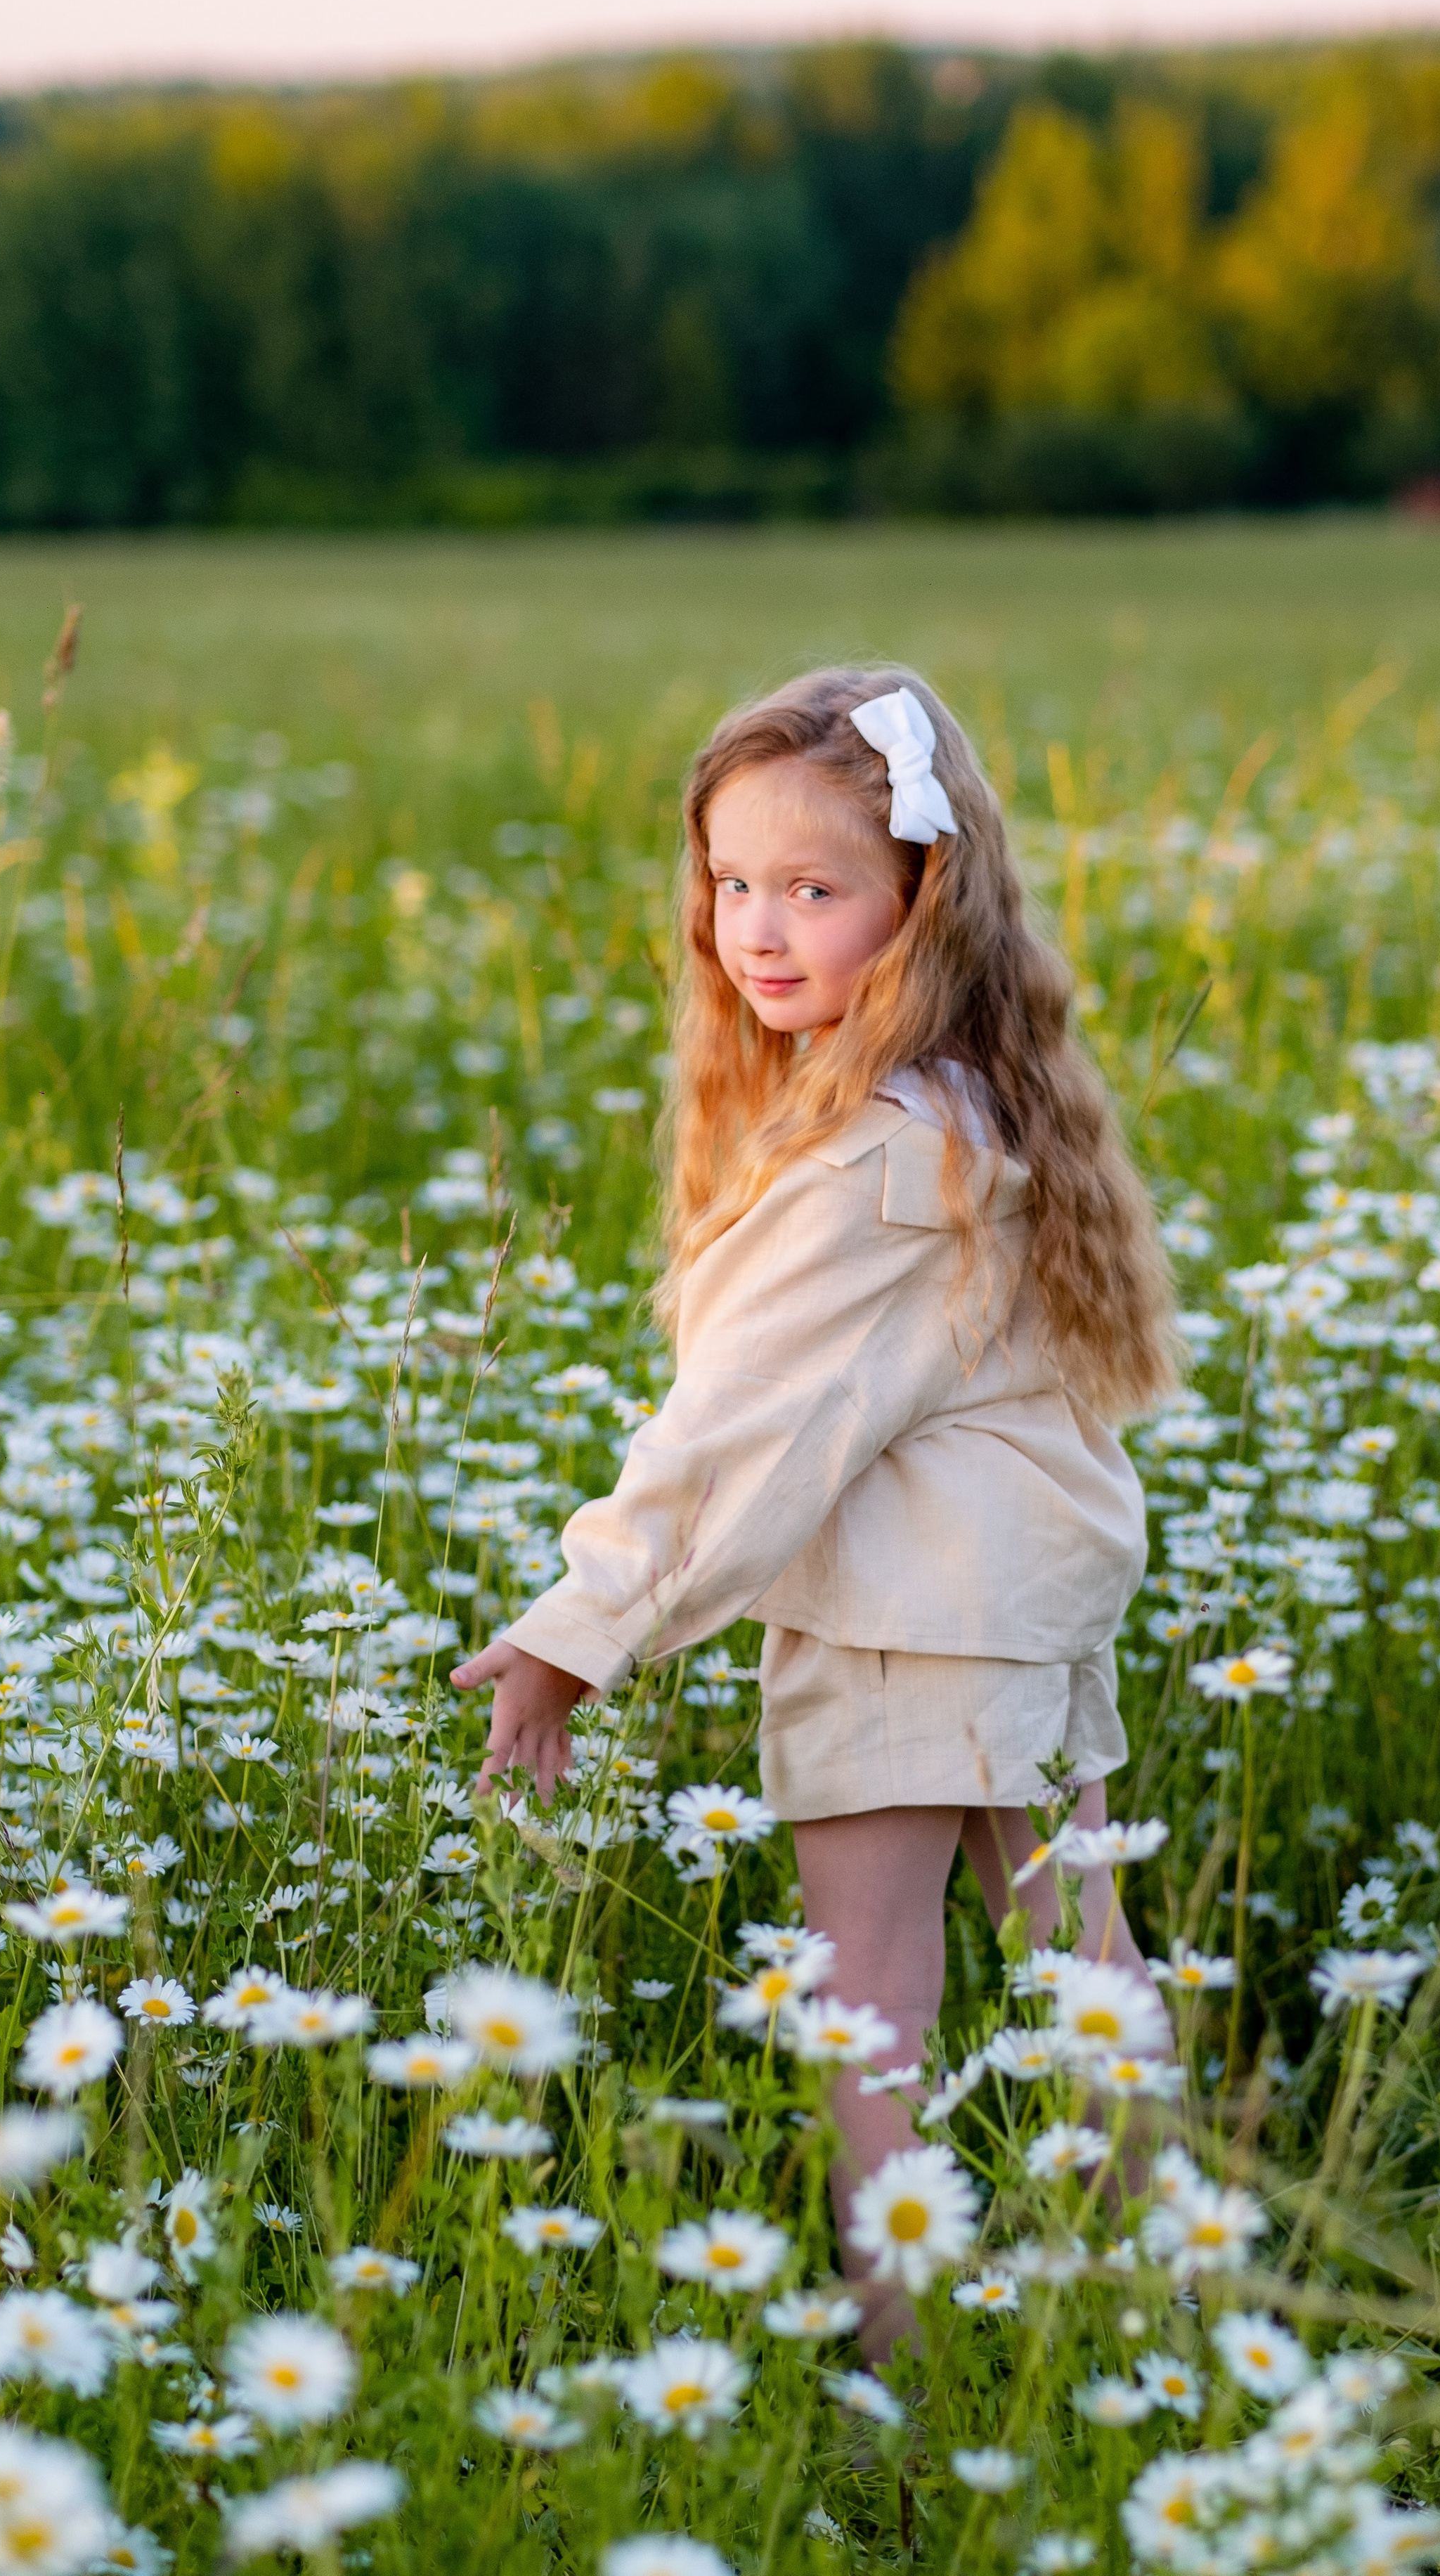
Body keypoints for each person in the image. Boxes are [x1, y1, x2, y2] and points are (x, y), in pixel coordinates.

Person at [452, 665, 1178, 2328]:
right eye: (730, 885)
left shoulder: (867, 1164)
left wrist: (578, 1631)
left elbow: (741, 1431)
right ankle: (1167, 2305)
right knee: (1085, 1959)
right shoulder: (964, 1105)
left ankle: (904, 2376)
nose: (757, 932)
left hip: (899, 1616)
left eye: (813, 890)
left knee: (869, 2007)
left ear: (922, 901)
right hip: (1018, 1597)